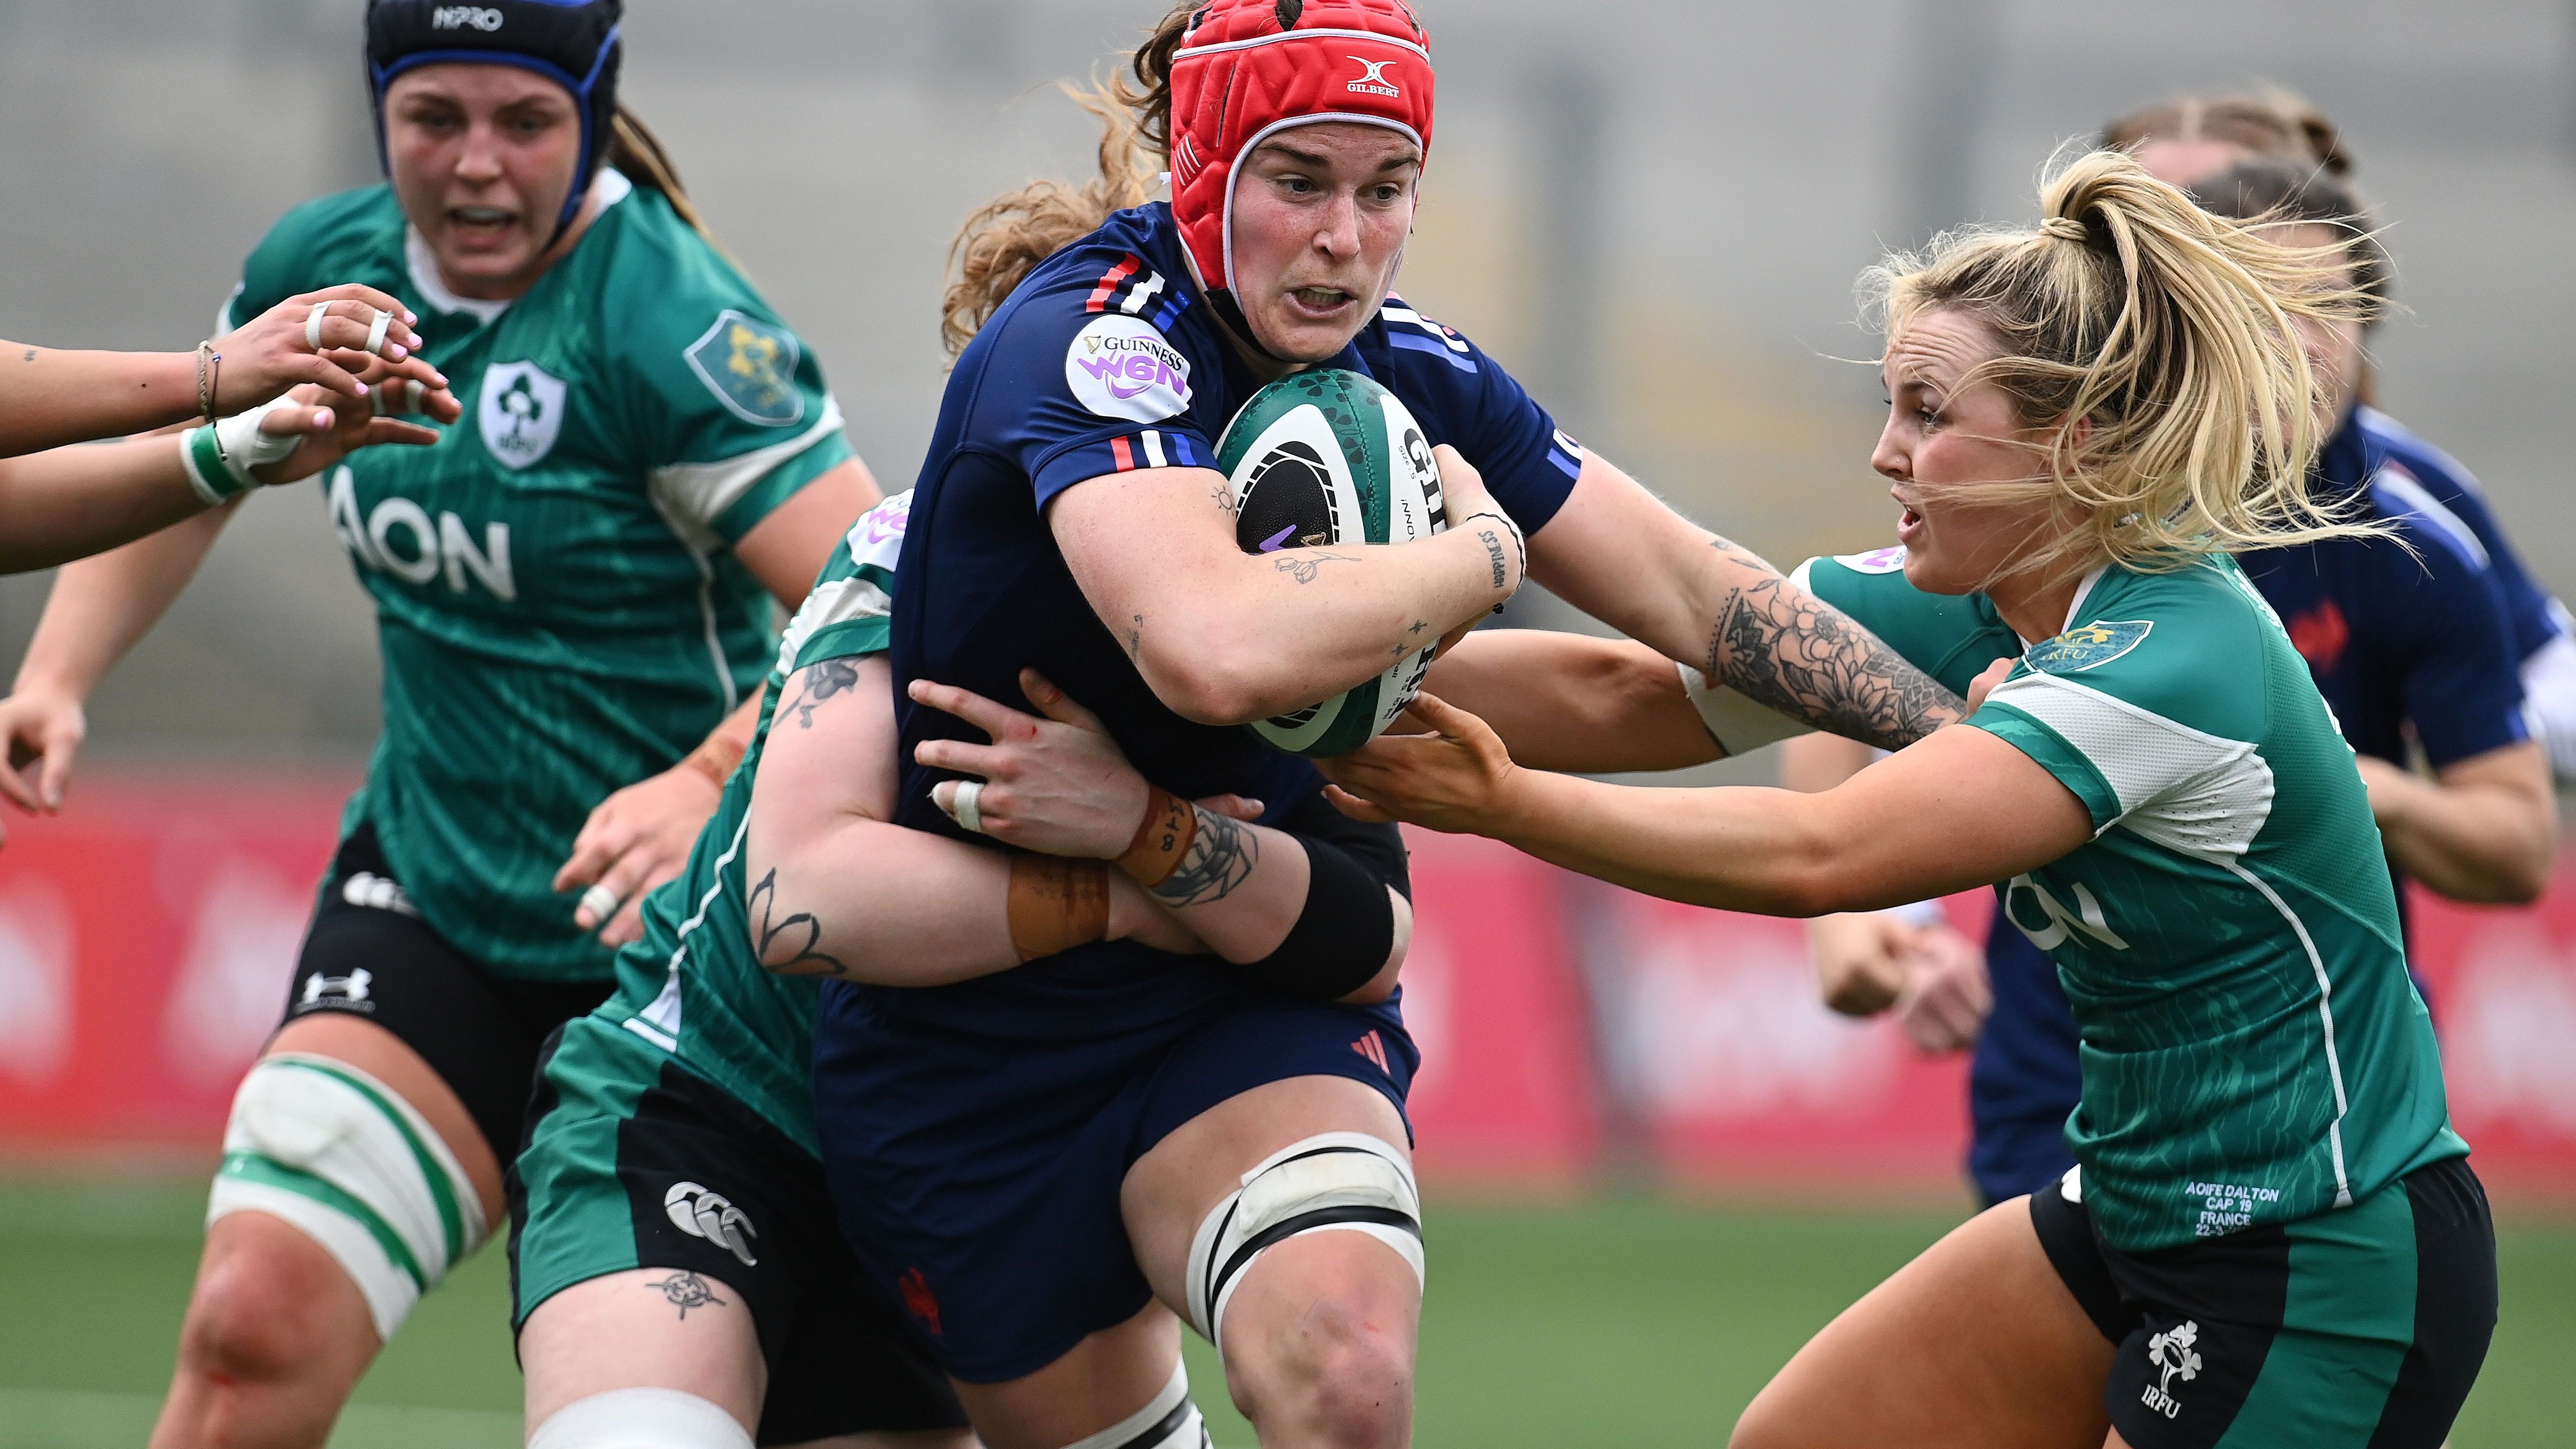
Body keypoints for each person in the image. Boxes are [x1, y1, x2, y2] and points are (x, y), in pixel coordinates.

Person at [810, 3, 1967, 1445]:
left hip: (1256, 975)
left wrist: (1964, 735)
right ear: (1204, 174)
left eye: (1385, 188)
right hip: (972, 1031)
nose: (1344, 239)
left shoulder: (1413, 365)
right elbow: (1215, 652)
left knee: (1344, 1378)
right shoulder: (1096, 344)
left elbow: (1691, 592)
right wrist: (1482, 561)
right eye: (1299, 183)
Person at [1325, 151, 2496, 1449]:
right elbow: (1624, 691)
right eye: (1892, 405)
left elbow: (1826, 848)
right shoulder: (1967, 590)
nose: (1888, 452)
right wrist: (1318, 659)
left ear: (2080, 434)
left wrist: (1502, 802)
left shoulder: (2177, 648)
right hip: (2138, 1209)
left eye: (1930, 411)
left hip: (2322, 1249)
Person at [0, 5, 881, 1445]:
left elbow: (870, 601)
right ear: (379, 114)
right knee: (246, 1326)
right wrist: (60, 673)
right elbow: (200, 470)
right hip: (439, 899)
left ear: (591, 119)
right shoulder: (320, 274)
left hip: (675, 967)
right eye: (433, 121)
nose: (476, 166)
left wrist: (704, 780)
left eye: (522, 123)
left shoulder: (671, 323)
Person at [1796, 147, 2558, 1207]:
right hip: (2063, 1070)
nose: (2297, 342)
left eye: (2326, 309)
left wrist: (2341, 778)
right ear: (2180, 326)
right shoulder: (2041, 504)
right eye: (2262, 302)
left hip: (2305, 1087)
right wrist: (1859, 925)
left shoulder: (2409, 541)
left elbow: (2516, 849)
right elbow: (1813, 665)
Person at [0, 291, 461, 577]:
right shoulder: (319, 247)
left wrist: (233, 453)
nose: (476, 164)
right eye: (436, 124)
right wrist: (203, 373)